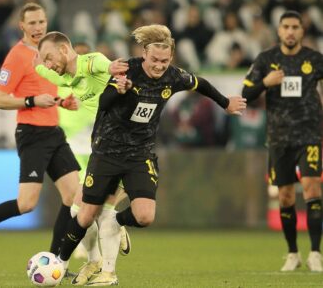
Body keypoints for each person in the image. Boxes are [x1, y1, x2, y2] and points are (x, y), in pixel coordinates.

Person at [55, 24, 246, 285]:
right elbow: (104, 103)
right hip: (107, 150)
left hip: (140, 152)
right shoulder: (126, 69)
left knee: (145, 216)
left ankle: (116, 225)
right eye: (155, 60)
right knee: (86, 214)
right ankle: (60, 264)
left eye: (165, 61)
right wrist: (118, 90)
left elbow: (200, 83)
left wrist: (225, 103)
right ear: (144, 53)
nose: (159, 66)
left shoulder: (174, 76)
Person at [0, 2, 81, 268]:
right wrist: (31, 101)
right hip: (31, 134)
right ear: (21, 26)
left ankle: (54, 262)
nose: (38, 27)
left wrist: (61, 101)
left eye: (41, 22)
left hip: (54, 132)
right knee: (26, 204)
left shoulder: (50, 53)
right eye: (32, 23)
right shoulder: (17, 56)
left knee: (74, 197)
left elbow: (48, 93)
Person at [36, 31, 130, 285]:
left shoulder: (91, 63)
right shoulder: (55, 76)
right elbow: (36, 68)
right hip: (83, 150)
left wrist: (112, 67)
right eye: (45, 59)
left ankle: (103, 257)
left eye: (50, 58)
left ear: (65, 51)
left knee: (86, 209)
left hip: (111, 149)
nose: (48, 64)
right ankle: (96, 259)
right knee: (82, 210)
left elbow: (101, 63)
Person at [242, 10, 323, 272]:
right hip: (278, 138)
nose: (290, 31)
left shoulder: (314, 59)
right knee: (286, 196)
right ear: (279, 31)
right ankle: (292, 253)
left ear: (302, 31)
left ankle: (315, 252)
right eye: (286, 27)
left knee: (312, 187)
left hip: (310, 135)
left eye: (295, 27)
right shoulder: (267, 60)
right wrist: (264, 82)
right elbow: (246, 93)